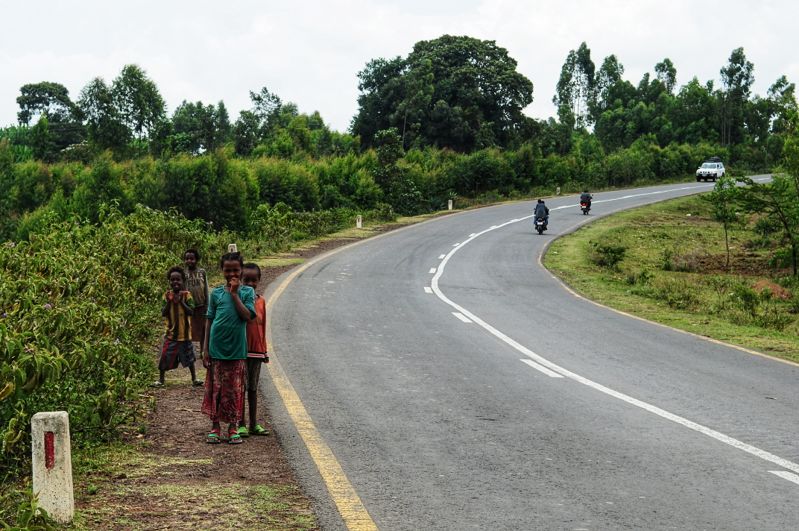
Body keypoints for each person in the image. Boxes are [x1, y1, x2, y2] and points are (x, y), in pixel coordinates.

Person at [201, 252, 256, 445]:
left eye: (235, 269)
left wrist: (234, 294)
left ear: (241, 270)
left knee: (234, 390)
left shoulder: (247, 292)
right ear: (222, 270)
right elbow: (209, 321)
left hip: (237, 350)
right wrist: (205, 349)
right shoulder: (215, 293)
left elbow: (247, 316)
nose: (232, 273)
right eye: (227, 269)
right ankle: (215, 426)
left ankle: (233, 427)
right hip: (216, 349)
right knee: (215, 390)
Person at [237, 263, 269, 437]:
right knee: (241, 387)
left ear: (258, 280)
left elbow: (263, 326)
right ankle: (240, 423)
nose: (249, 283)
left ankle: (253, 423)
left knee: (253, 388)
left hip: (256, 351)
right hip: (241, 350)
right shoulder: (238, 300)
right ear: (241, 280)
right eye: (246, 280)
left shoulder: (261, 301)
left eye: (253, 280)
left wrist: (264, 350)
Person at [156, 266, 201, 387]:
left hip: (185, 334)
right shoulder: (166, 296)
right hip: (171, 334)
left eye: (178, 280)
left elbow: (191, 312)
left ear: (183, 281)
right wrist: (170, 301)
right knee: (164, 356)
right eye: (172, 280)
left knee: (190, 358)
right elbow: (163, 312)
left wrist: (181, 301)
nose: (175, 282)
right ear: (169, 281)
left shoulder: (187, 295)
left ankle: (194, 379)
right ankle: (161, 380)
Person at [184, 249, 209, 354]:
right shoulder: (183, 273)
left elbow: (206, 289)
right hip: (189, 307)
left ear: (197, 260)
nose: (189, 261)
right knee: (190, 329)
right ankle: (189, 351)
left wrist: (207, 304)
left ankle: (202, 351)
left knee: (203, 329)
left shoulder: (202, 272)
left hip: (201, 305)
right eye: (187, 259)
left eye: (192, 258)